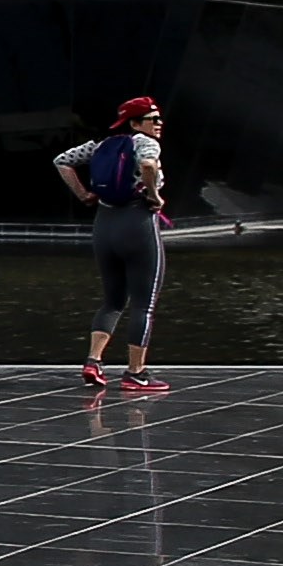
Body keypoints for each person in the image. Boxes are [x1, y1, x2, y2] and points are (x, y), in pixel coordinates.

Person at [49, 94, 171, 395]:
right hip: (137, 224)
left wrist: (82, 194)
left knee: (113, 301)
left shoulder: (102, 145)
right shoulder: (146, 143)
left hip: (104, 226)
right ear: (135, 123)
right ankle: (136, 374)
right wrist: (154, 197)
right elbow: (147, 166)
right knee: (144, 303)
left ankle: (93, 361)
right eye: (152, 119)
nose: (159, 124)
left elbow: (61, 160)